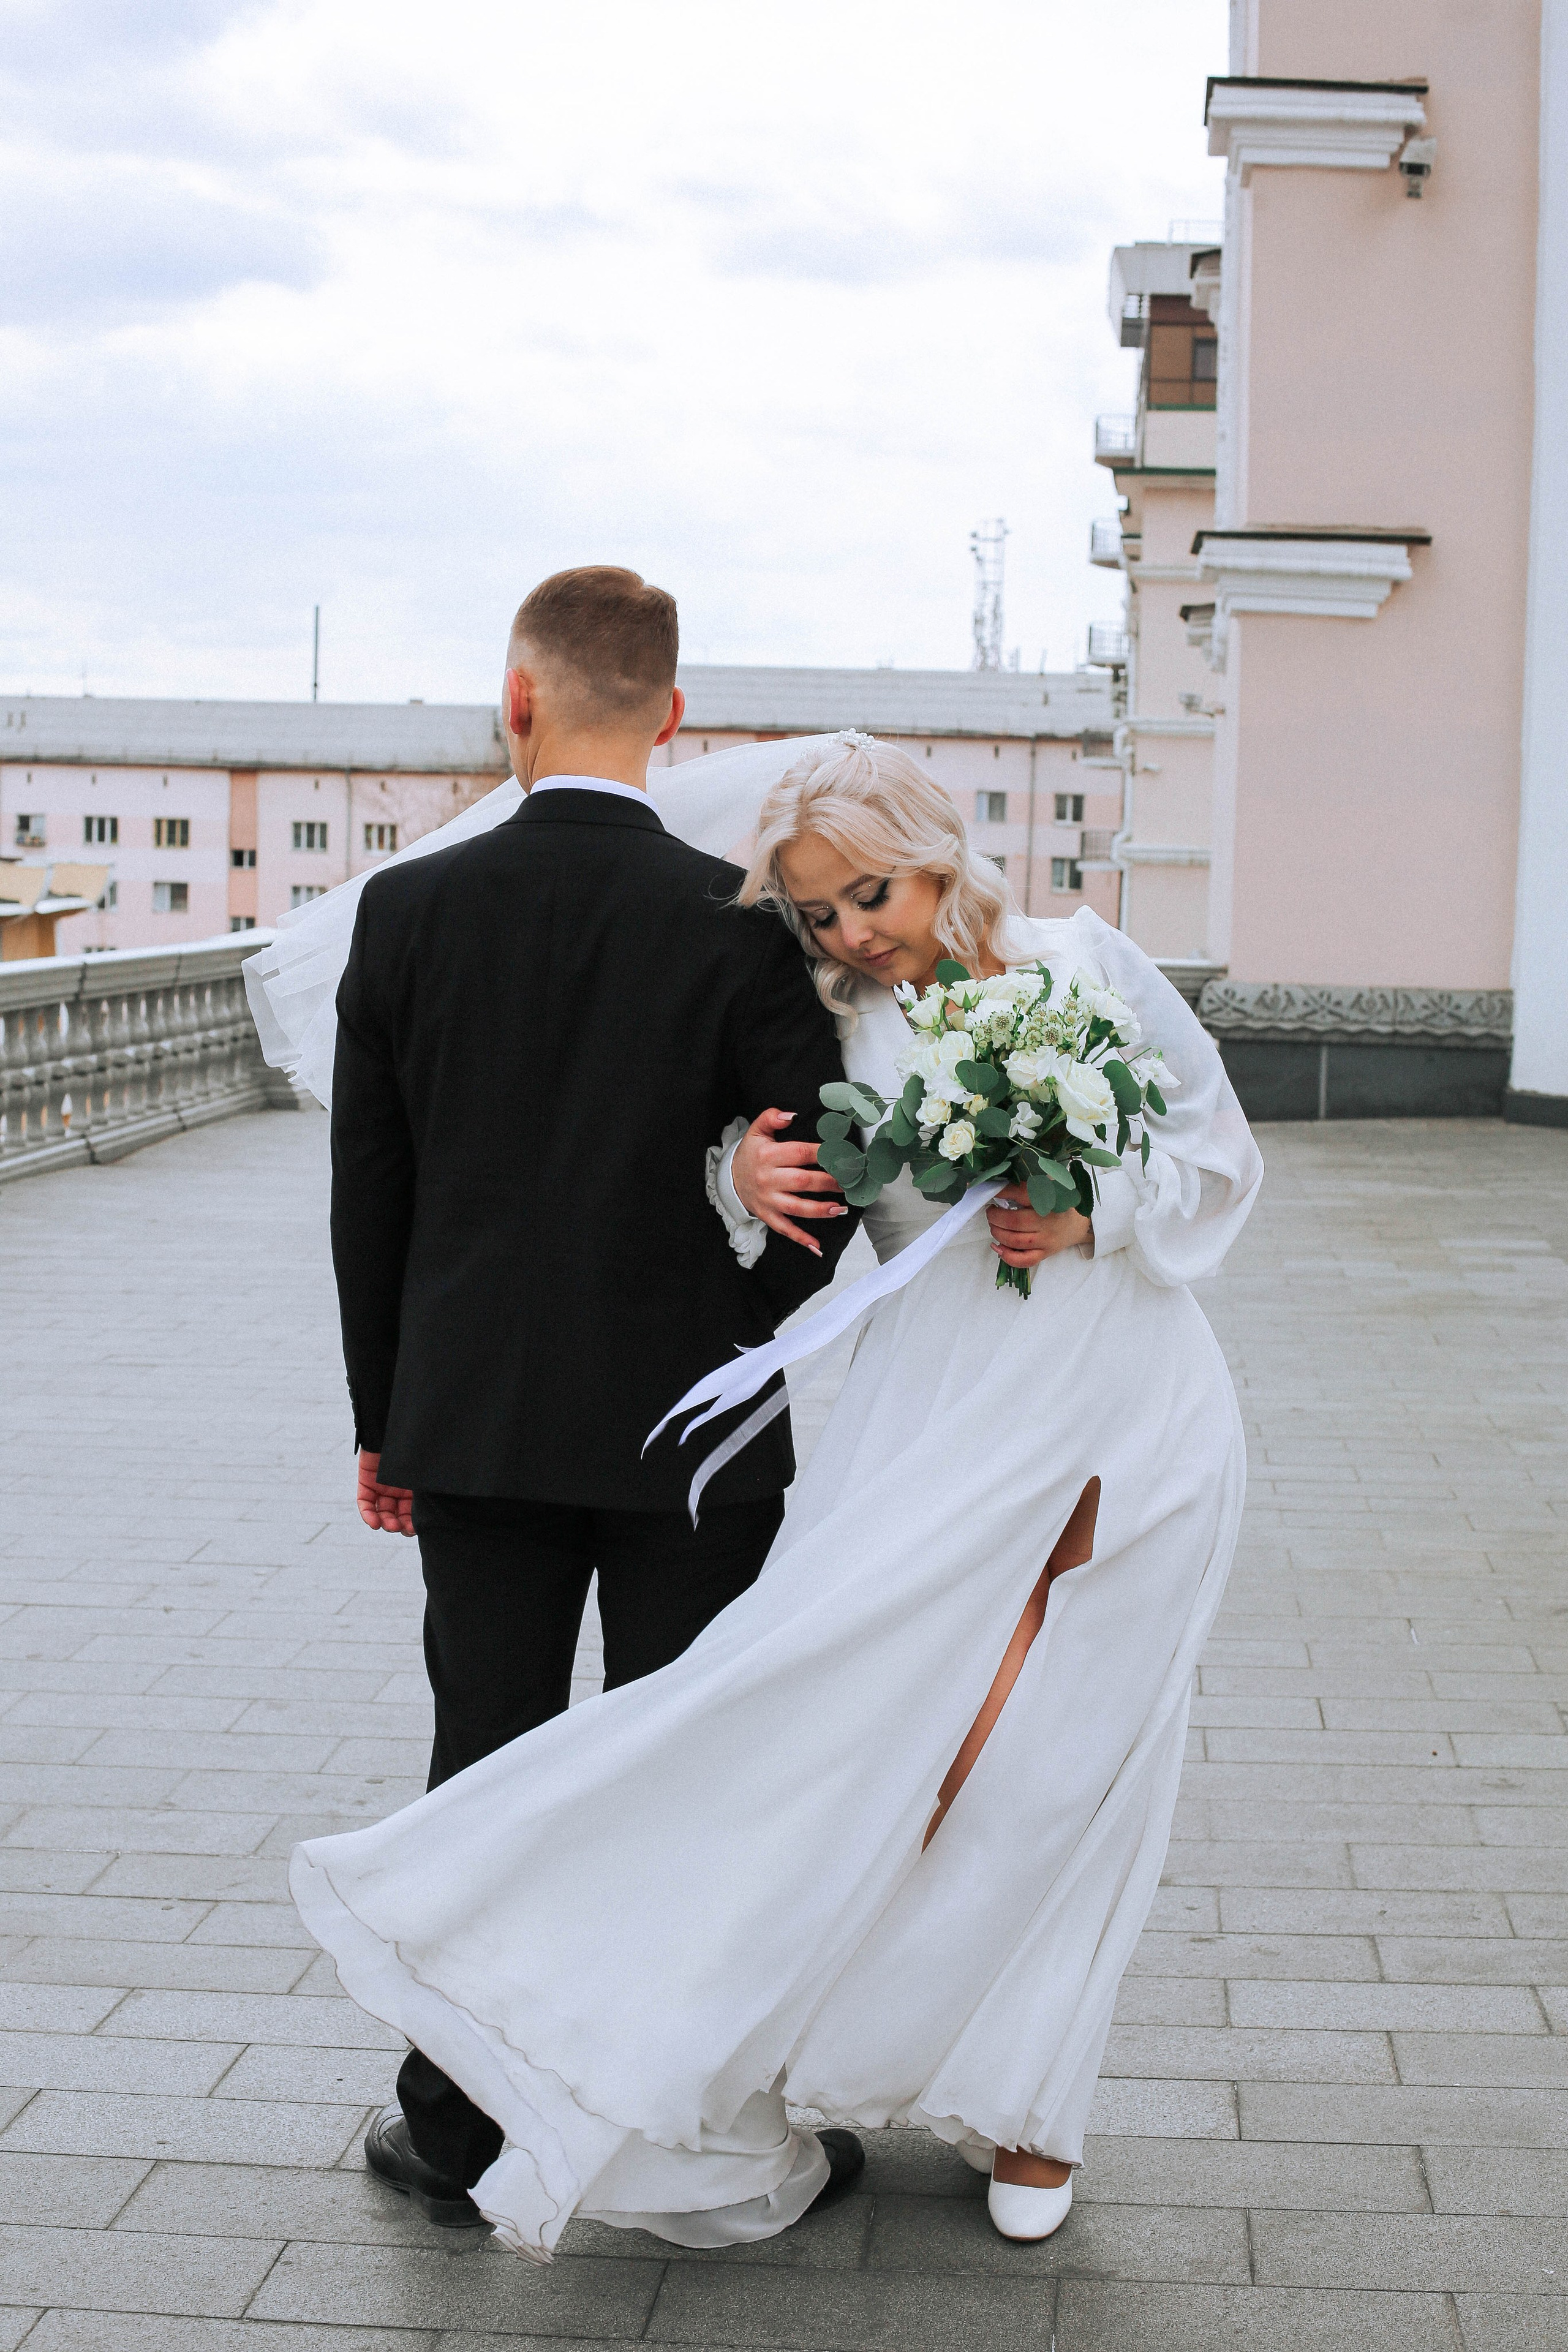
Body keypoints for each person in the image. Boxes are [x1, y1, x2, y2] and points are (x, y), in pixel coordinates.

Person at [284, 728, 1263, 2256]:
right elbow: (772, 1194)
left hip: (1132, 1408)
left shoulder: (1087, 962)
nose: (850, 933)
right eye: (815, 912)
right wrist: (731, 1176)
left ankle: (1031, 2105)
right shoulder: (831, 1028)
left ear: (936, 856)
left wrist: (1096, 1212)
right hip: (937, 1423)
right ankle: (759, 2041)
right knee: (885, 1742)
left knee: (1074, 1749)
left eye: (870, 893)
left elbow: (1217, 1153)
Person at [322, 568, 863, 2230]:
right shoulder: (740, 924)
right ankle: (672, 2114)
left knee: (485, 1761)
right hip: (696, 1439)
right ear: (672, 716)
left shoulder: (409, 911)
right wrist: (736, 1339)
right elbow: (823, 1186)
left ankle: (454, 2124)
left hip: (476, 1423)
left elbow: (371, 1196)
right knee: (682, 1768)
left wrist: (387, 1418)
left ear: (518, 700)